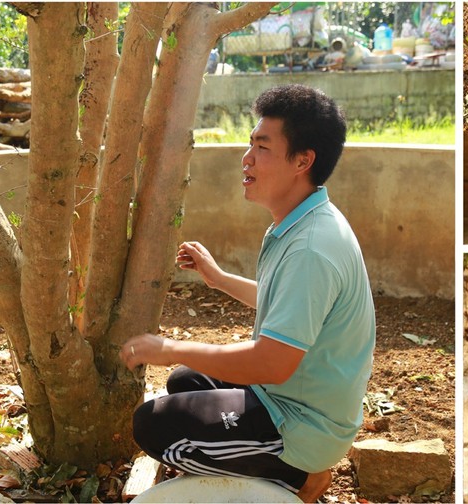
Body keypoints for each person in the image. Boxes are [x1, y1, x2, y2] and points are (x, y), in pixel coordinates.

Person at [119, 84, 375, 503]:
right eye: (249, 144)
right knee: (184, 382)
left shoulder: (311, 246)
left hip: (301, 423)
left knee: (152, 427)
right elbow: (290, 307)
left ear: (303, 161)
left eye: (262, 146)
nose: (247, 158)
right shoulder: (304, 221)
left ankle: (299, 476)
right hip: (294, 397)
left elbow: (271, 362)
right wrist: (219, 279)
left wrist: (171, 345)